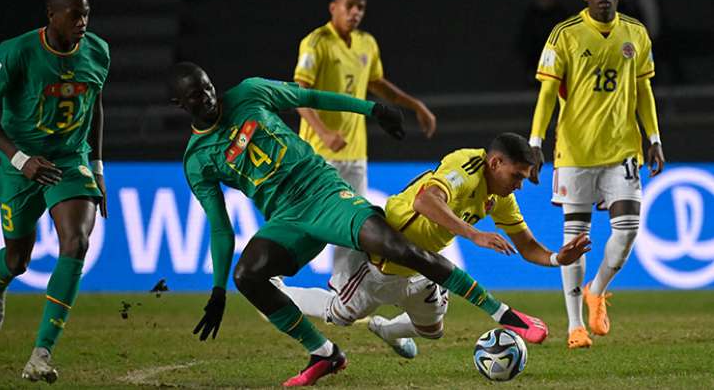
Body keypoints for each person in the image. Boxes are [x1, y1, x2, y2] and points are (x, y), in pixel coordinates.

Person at [169, 63, 547, 386]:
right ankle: (324, 353)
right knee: (247, 276)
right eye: (197, 96)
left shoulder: (250, 93)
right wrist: (218, 290)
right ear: (180, 105)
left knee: (398, 247)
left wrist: (371, 109)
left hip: (325, 191)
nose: (208, 96)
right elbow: (220, 227)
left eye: (208, 86)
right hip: (286, 218)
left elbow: (310, 98)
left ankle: (504, 314)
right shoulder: (198, 160)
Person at [275, 133, 591, 358]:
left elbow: (525, 245)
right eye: (517, 175)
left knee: (432, 329)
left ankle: (385, 330)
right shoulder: (466, 166)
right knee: (340, 315)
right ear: (495, 163)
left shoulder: (499, 198)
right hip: (381, 258)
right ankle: (276, 291)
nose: (520, 184)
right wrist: (474, 234)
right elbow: (425, 200)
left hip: (421, 265)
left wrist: (556, 258)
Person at [0, 0, 109, 383]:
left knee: (77, 241)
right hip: (18, 162)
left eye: (86, 13)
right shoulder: (15, 52)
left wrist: (98, 168)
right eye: (74, 15)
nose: (82, 21)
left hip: (69, 158)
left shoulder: (99, 52)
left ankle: (41, 353)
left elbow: (95, 105)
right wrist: (20, 158)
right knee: (19, 259)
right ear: (52, 16)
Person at [528, 0, 664, 349]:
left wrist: (653, 138)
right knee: (576, 239)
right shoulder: (565, 34)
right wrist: (535, 141)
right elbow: (547, 93)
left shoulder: (635, 33)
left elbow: (643, 89)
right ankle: (575, 327)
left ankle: (597, 291)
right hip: (575, 153)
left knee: (627, 232)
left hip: (623, 150)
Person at [294, 0, 437, 293]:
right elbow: (298, 94)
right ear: (334, 7)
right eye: (349, 6)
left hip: (355, 155)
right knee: (313, 224)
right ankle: (271, 275)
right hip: (320, 154)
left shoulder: (366, 44)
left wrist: (416, 106)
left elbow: (378, 84)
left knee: (355, 226)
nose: (355, 12)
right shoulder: (316, 43)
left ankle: (341, 287)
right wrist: (324, 132)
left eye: (360, 8)